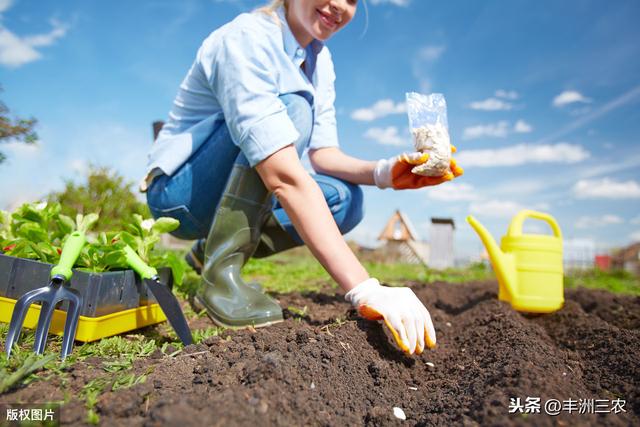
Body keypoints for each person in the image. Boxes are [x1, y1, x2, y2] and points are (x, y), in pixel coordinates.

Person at [140, 0, 463, 356]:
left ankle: (207, 254)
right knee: (293, 107)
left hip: (227, 187)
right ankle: (219, 278)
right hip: (180, 195)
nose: (340, 5)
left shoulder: (319, 60)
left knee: (346, 200)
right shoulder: (247, 36)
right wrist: (365, 289)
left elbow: (323, 155)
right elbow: (282, 175)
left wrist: (385, 173)